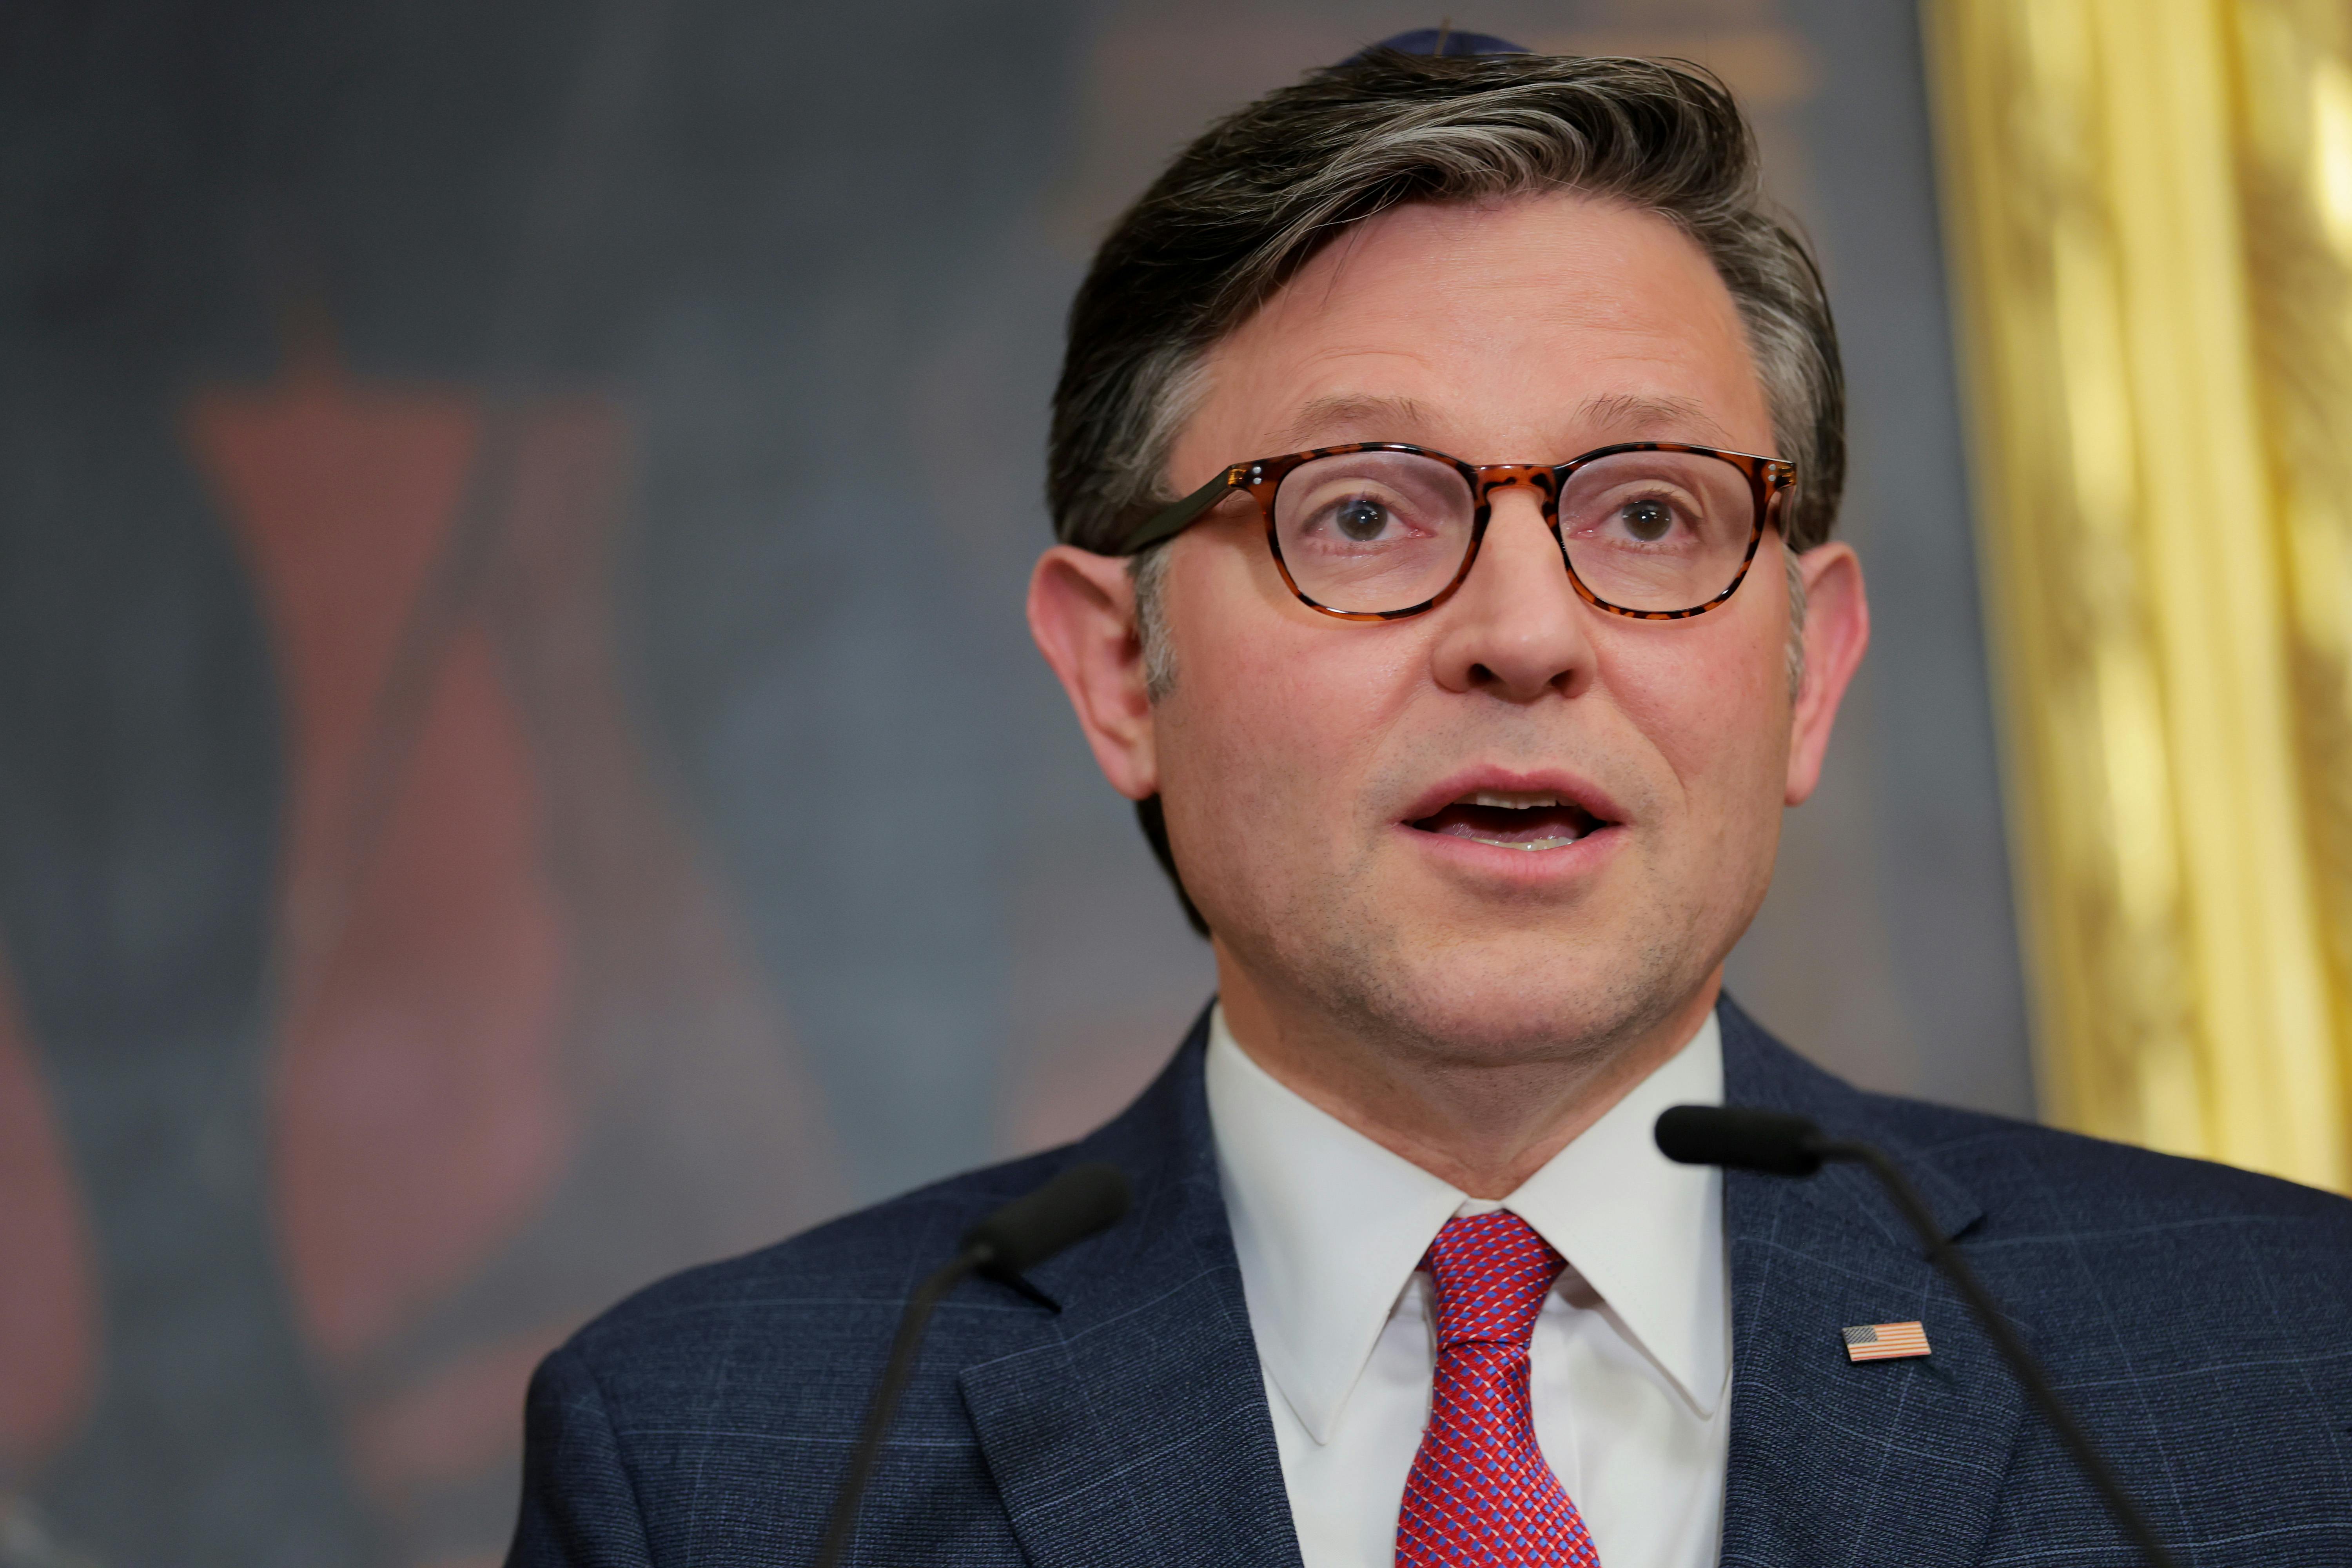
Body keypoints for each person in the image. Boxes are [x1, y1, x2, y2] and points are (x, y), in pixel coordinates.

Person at [507, 36, 2352, 1568]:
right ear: (1118, 668)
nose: (1528, 634)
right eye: (1364, 512)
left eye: (1651, 514)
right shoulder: (729, 1468)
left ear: (1811, 668)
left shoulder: (2280, 1362)